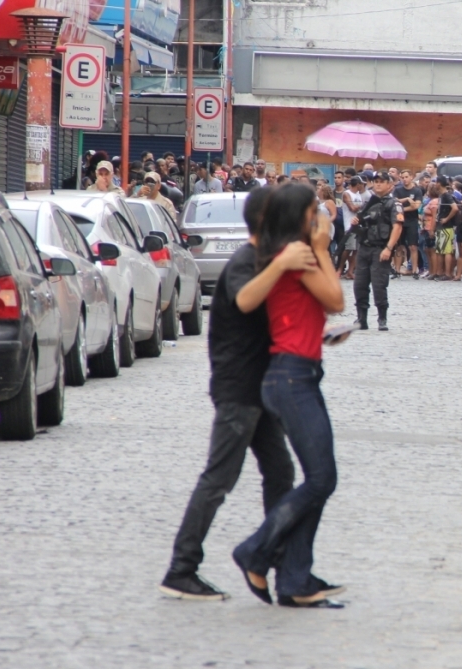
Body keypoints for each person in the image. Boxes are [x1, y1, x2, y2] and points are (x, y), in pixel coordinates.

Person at [159, 189, 317, 602]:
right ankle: (181, 568)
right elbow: (247, 299)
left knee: (280, 474)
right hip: (239, 390)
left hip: (260, 390)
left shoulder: (263, 262)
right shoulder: (245, 264)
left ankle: (282, 568)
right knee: (218, 479)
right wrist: (282, 263)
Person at [232, 184, 346, 609]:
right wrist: (322, 248)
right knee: (321, 478)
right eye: (315, 212)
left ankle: (296, 579)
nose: (321, 218)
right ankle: (257, 551)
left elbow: (303, 311)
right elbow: (335, 297)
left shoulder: (290, 254)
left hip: (299, 372)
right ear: (300, 217)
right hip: (291, 378)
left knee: (319, 479)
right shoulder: (297, 255)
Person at [352, 172, 403, 331]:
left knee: (379, 285)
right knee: (359, 285)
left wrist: (389, 248)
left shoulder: (393, 203)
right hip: (365, 248)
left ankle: (382, 318)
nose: (378, 184)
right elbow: (361, 224)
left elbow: (397, 226)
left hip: (381, 248)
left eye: (382, 182)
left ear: (389, 185)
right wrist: (356, 222)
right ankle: (362, 318)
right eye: (376, 182)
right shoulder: (369, 202)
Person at [393, 169, 424, 279]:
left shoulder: (417, 191)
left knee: (413, 246)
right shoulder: (397, 190)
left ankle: (414, 270)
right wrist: (406, 200)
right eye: (403, 177)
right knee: (399, 246)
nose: (405, 179)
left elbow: (416, 206)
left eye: (406, 177)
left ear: (411, 177)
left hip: (412, 221)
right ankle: (396, 270)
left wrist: (401, 208)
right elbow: (394, 202)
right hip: (400, 221)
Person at [338, 176, 365, 279]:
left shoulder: (359, 195)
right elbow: (352, 208)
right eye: (361, 183)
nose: (362, 186)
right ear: (357, 184)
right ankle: (340, 269)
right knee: (348, 248)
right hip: (349, 225)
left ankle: (350, 271)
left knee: (356, 250)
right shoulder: (347, 194)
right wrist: (362, 206)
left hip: (358, 224)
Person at [433, 177, 459, 281]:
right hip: (442, 226)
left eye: (436, 182)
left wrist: (447, 219)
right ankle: (440, 272)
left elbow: (455, 208)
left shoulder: (447, 195)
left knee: (447, 250)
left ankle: (447, 273)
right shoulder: (442, 195)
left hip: (446, 226)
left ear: (439, 183)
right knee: (440, 250)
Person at [421, 184, 440, 280]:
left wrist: (432, 230)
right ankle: (431, 270)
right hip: (426, 227)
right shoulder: (431, 201)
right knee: (427, 250)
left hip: (430, 228)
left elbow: (434, 217)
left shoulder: (434, 202)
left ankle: (434, 272)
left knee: (432, 250)